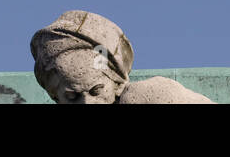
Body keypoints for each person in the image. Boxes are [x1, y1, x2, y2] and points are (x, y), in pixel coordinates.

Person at [31, 10, 214, 104]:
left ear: (117, 82)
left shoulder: (144, 97)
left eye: (96, 91)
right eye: (72, 97)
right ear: (57, 98)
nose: (87, 102)